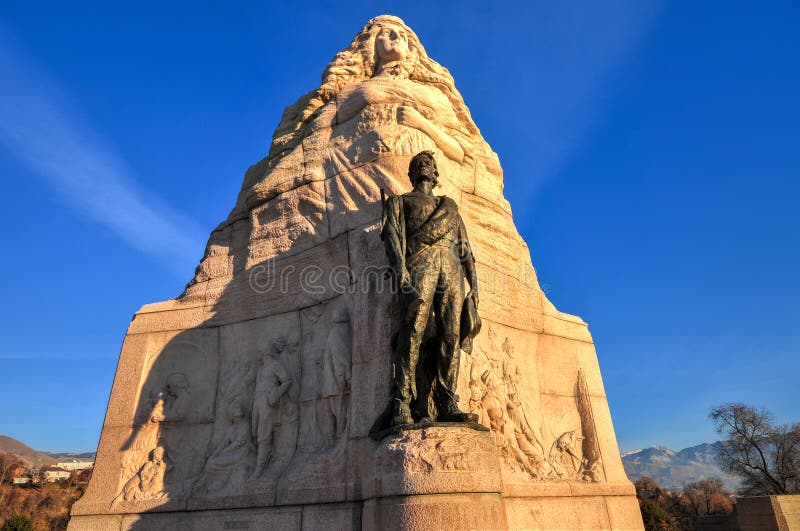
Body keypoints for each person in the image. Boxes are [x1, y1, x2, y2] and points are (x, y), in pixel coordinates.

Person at [380, 150, 479, 427]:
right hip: (418, 265)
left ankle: (447, 400)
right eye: (418, 164)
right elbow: (392, 238)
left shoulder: (449, 206)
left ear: (435, 175)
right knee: (412, 331)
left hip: (451, 269)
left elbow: (465, 249)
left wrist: (475, 287)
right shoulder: (399, 202)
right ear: (411, 174)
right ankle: (401, 401)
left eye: (429, 163)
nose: (424, 165)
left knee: (451, 334)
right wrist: (400, 270)